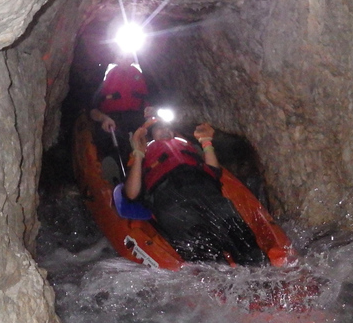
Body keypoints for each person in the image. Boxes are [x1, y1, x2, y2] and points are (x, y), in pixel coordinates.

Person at [124, 118, 266, 266]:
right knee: (202, 248)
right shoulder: (143, 152)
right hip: (169, 196)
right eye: (159, 128)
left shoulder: (185, 145)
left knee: (239, 234)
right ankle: (217, 278)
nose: (165, 130)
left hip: (203, 188)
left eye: (168, 127)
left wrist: (206, 142)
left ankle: (260, 270)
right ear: (150, 135)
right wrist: (139, 154)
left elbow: (214, 172)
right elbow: (132, 193)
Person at [89, 52, 151, 168]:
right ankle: (115, 168)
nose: (125, 61)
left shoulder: (138, 75)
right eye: (121, 57)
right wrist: (104, 118)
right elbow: (93, 108)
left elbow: (146, 99)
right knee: (114, 139)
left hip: (136, 117)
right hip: (113, 118)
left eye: (128, 58)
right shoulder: (107, 75)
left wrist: (149, 111)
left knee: (148, 135)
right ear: (116, 59)